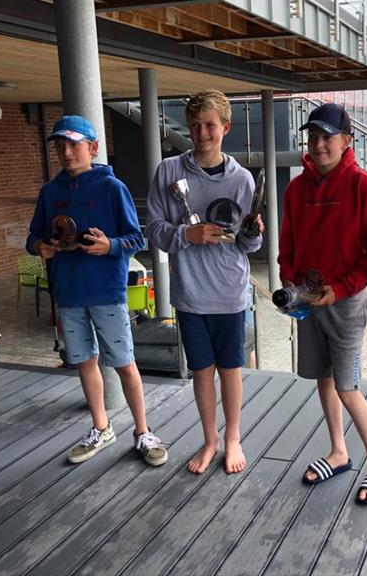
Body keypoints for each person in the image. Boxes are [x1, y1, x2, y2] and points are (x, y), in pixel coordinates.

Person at [26, 114, 168, 468]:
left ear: (93, 148)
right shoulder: (50, 191)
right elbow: (34, 237)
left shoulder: (112, 187)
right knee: (84, 362)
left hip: (107, 292)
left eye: (74, 145)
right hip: (69, 292)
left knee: (124, 363)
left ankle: (143, 431)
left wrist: (110, 246)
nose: (66, 152)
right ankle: (101, 427)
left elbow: (139, 237)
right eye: (60, 146)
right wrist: (39, 247)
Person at [278, 103, 367, 505]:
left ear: (347, 141)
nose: (320, 144)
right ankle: (339, 452)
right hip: (308, 300)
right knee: (322, 380)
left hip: (345, 304)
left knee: (346, 386)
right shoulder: (296, 189)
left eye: (329, 137)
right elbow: (287, 244)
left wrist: (341, 289)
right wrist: (288, 280)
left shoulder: (364, 187)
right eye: (314, 137)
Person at [145, 90, 263, 475]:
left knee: (230, 368)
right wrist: (186, 235)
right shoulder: (168, 172)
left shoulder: (243, 180)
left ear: (225, 128)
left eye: (210, 125)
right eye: (195, 125)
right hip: (191, 293)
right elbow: (156, 231)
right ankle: (211, 439)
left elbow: (248, 245)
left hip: (230, 290)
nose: (201, 133)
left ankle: (233, 438)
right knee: (201, 371)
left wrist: (252, 232)